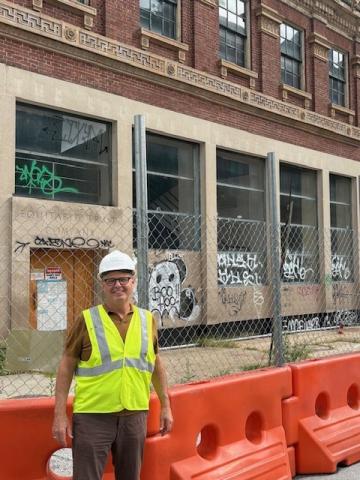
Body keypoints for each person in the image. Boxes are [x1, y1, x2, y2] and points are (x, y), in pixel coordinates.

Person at [52, 250, 173, 480]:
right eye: (110, 280)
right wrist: (59, 414)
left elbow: (155, 363)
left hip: (134, 415)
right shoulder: (87, 319)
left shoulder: (148, 320)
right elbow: (66, 365)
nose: (117, 284)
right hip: (93, 416)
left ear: (133, 281)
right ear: (102, 284)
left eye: (123, 279)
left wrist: (166, 406)